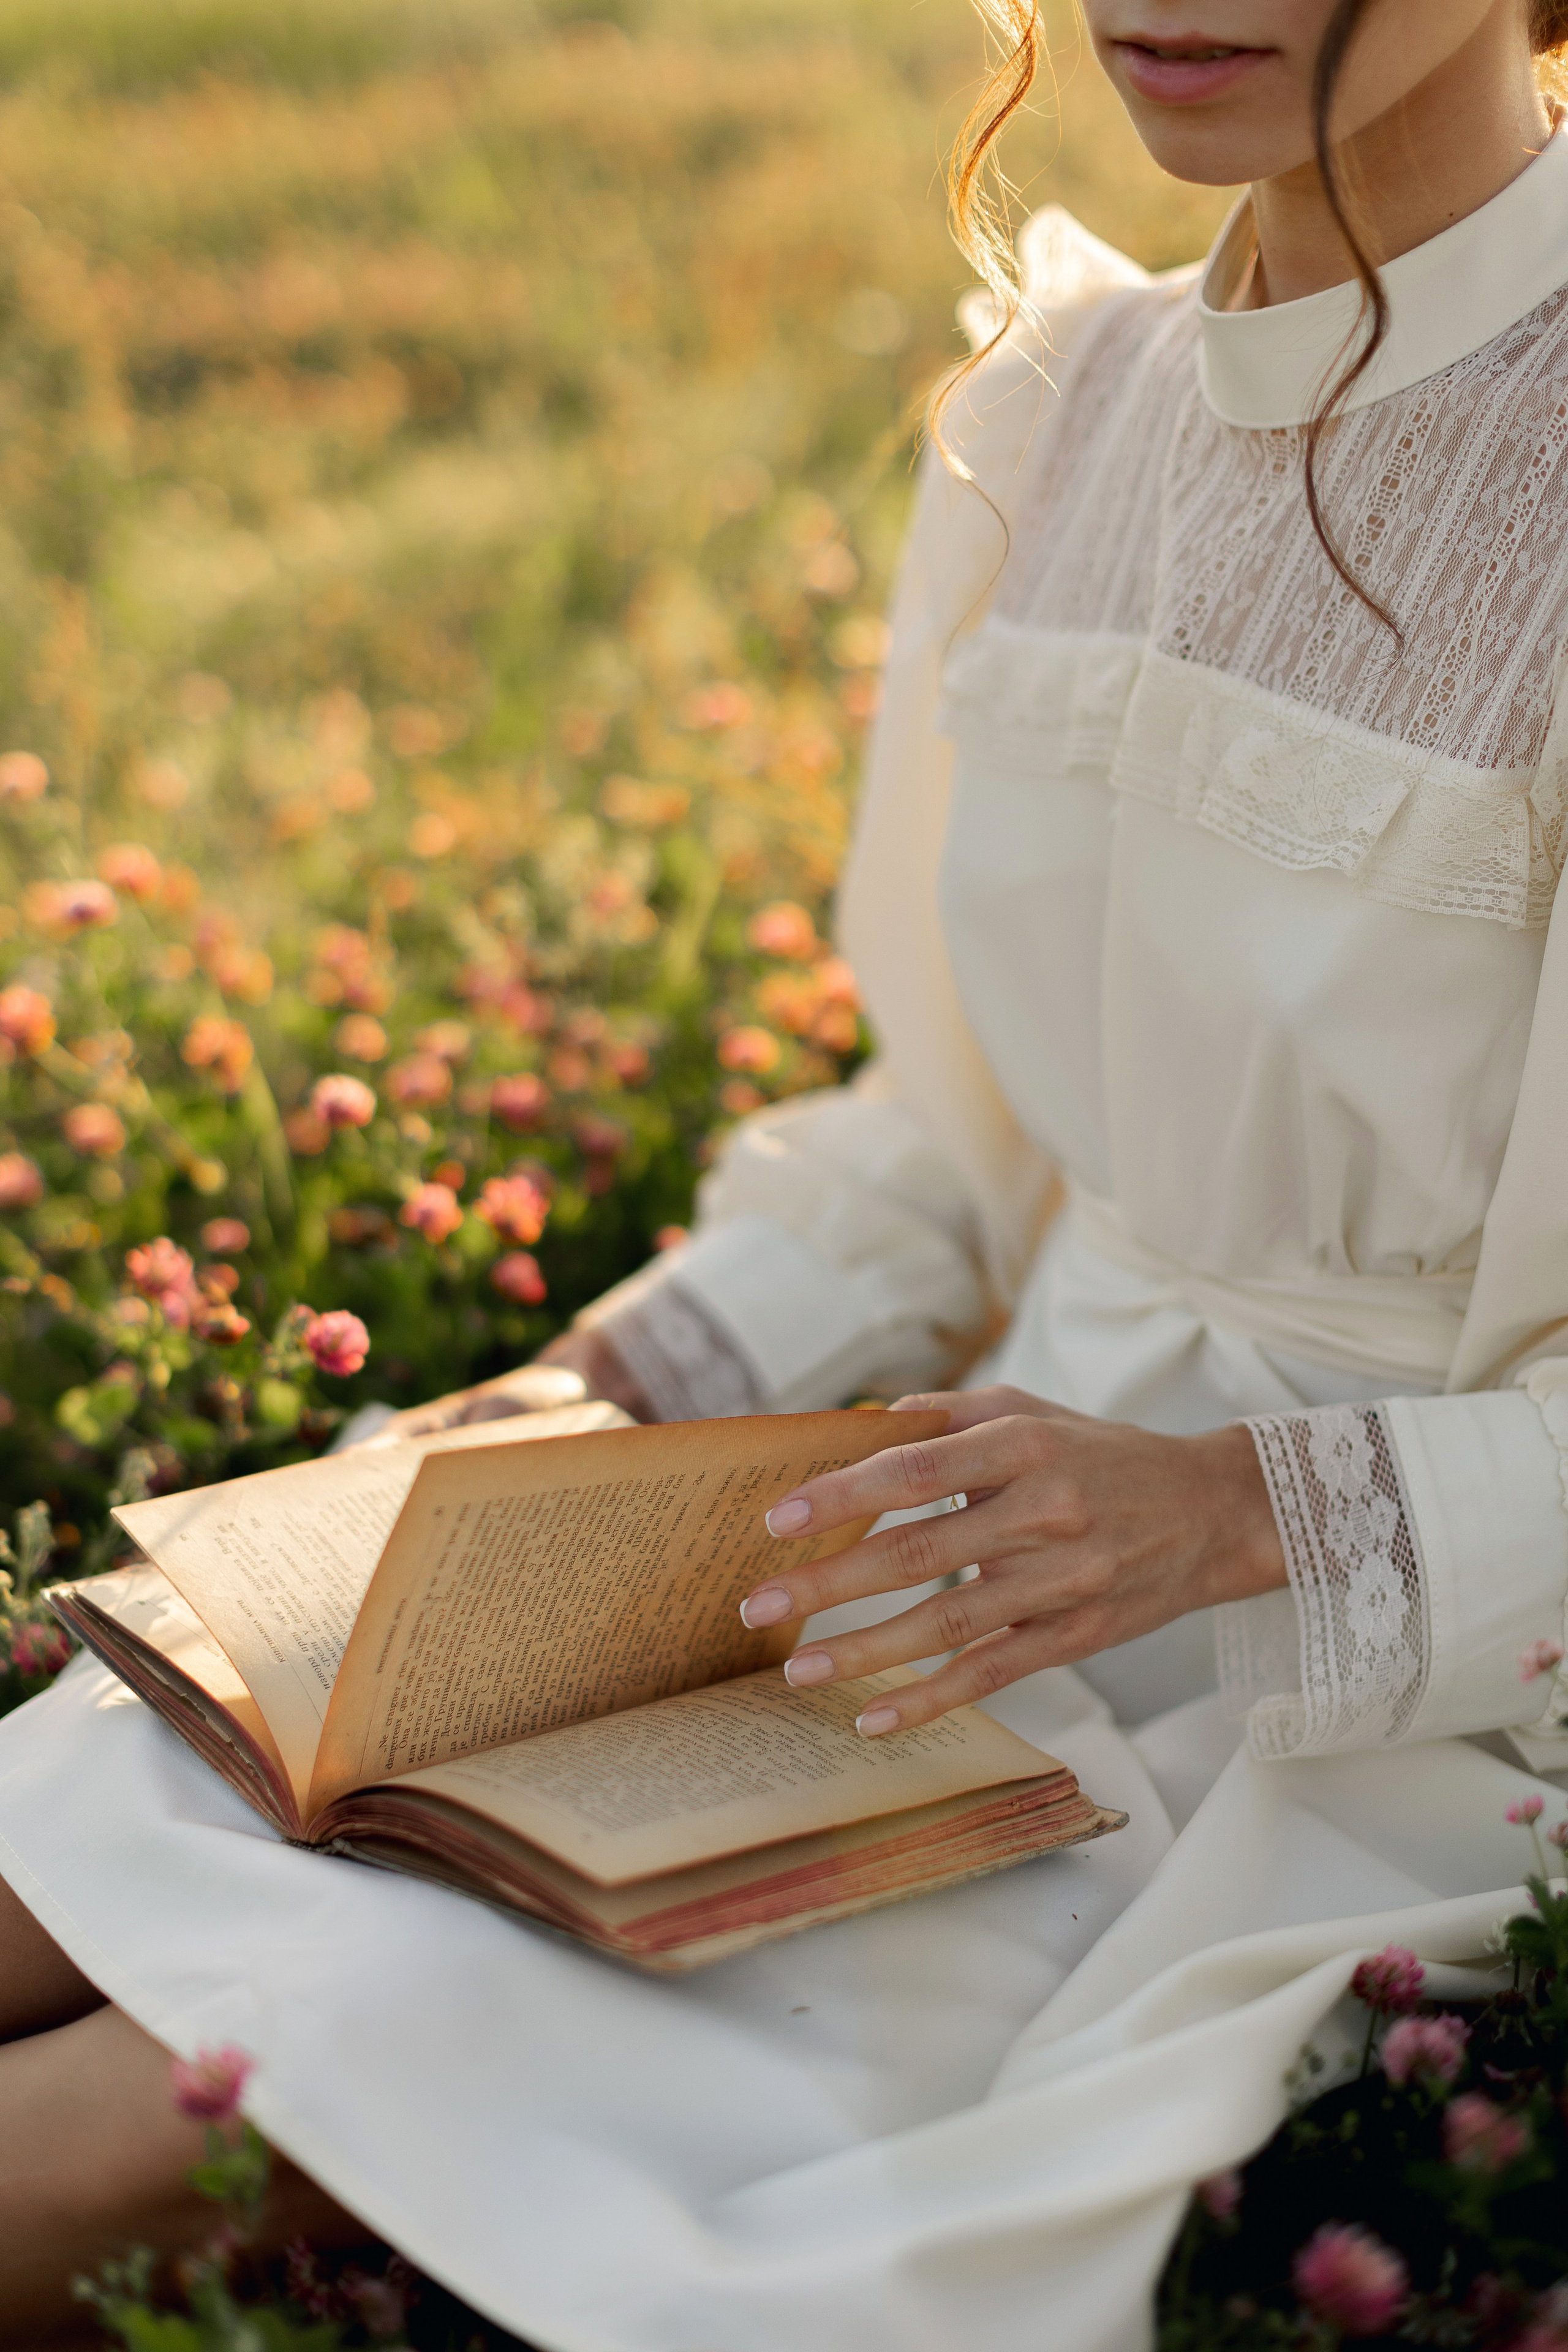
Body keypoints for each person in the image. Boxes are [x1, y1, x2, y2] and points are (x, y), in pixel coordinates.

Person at [6, 1, 1568, 2343]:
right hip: (890, 1545)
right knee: (82, 1810)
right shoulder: (1079, 407)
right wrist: (583, 1389)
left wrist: (1228, 1508)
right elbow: (947, 1148)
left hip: (1324, 1692)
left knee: (198, 2095)